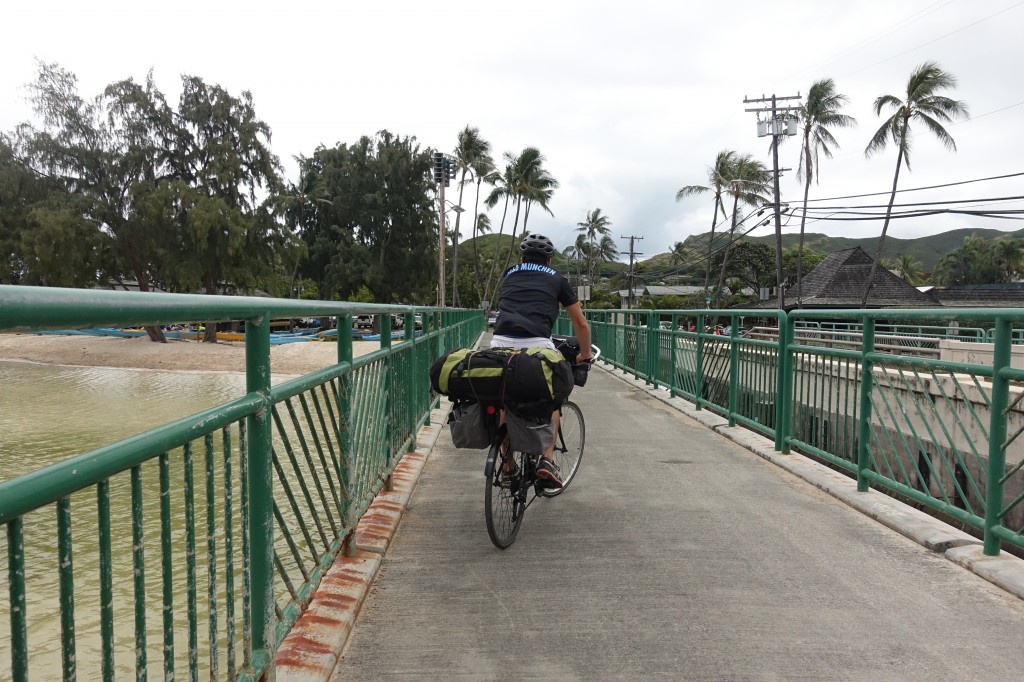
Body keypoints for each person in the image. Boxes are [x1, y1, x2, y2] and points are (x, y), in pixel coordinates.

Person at [491, 233, 593, 488]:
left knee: (503, 400)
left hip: (499, 344)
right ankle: (547, 459)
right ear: (549, 261)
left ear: (521, 258)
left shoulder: (510, 273)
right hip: (537, 346)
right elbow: (580, 323)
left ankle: (508, 465)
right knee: (553, 398)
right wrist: (585, 353)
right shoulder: (557, 279)